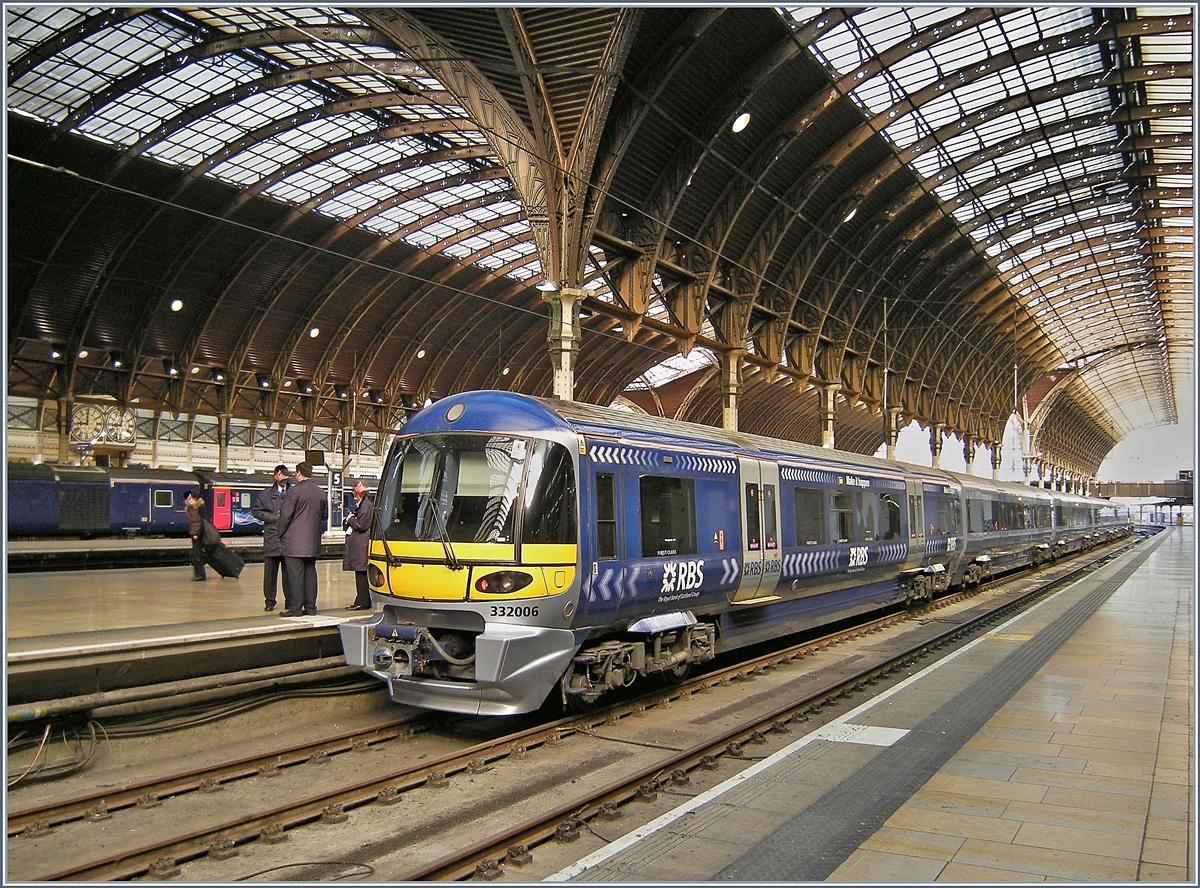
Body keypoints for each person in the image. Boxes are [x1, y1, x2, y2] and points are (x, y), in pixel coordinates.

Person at [276, 461, 327, 616]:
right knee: (310, 574)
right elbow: (325, 516)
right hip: (313, 541)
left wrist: (279, 533)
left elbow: (285, 516)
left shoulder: (294, 491)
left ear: (299, 473)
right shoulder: (320, 492)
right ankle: (311, 607)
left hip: (295, 542)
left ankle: (296, 608)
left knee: (296, 575)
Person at [251, 465, 291, 612]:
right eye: (281, 475)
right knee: (270, 575)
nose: (283, 479)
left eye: (285, 476)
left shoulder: (293, 493)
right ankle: (269, 601)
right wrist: (273, 518)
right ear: (275, 476)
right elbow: (256, 511)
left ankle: (290, 600)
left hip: (288, 540)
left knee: (289, 574)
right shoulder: (266, 494)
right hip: (272, 539)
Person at [342, 480, 374, 610]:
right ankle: (361, 600)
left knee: (361, 573)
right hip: (358, 543)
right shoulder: (361, 505)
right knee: (359, 573)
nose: (353, 492)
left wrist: (351, 519)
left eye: (355, 488)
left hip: (361, 544)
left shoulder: (366, 506)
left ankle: (362, 601)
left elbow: (362, 525)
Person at [184, 490, 207, 582]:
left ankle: (200, 575)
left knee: (197, 554)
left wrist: (198, 534)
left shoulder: (201, 507)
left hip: (199, 533)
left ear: (194, 498)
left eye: (189, 498)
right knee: (195, 554)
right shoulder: (190, 508)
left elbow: (204, 521)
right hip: (193, 532)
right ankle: (198, 574)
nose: (187, 500)